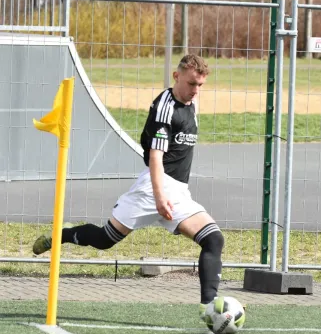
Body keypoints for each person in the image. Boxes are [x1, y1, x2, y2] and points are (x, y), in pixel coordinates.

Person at [33, 54, 223, 315]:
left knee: (213, 240)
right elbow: (155, 157)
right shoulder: (164, 108)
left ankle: (210, 307)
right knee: (104, 240)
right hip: (152, 189)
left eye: (200, 85)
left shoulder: (191, 102)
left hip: (178, 192)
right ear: (176, 76)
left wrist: (169, 195)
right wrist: (158, 197)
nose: (195, 90)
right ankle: (62, 235)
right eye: (191, 83)